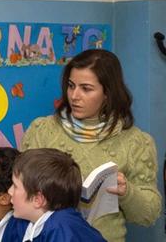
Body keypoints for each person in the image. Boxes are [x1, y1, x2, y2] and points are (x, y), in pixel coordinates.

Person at [21, 49, 161, 242]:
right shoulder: (42, 130)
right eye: (71, 86)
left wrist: (127, 192)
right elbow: (17, 191)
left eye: (86, 89)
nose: (74, 96)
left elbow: (149, 214)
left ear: (107, 94)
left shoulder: (136, 142)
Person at [8, 148, 106, 241]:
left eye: (15, 186)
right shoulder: (24, 222)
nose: (9, 191)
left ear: (37, 200)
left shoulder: (63, 229)